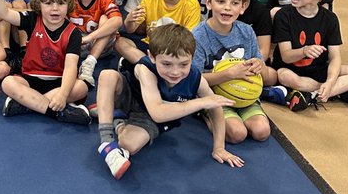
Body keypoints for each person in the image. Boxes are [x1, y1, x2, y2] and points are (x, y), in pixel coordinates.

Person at [93, 24, 239, 180]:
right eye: (167, 64)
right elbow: (158, 112)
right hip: (133, 99)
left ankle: (117, 119)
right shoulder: (145, 68)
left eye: (183, 64)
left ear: (192, 58)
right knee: (107, 75)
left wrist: (219, 147)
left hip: (148, 117)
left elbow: (215, 109)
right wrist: (201, 102)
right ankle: (106, 142)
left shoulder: (196, 78)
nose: (175, 72)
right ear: (152, 57)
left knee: (128, 145)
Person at [0, 0, 91, 123]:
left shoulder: (73, 33)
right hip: (30, 79)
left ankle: (27, 104)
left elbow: (71, 67)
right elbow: (3, 13)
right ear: (39, 4)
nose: (55, 9)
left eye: (61, 3)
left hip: (59, 82)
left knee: (81, 87)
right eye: (49, 3)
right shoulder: (32, 19)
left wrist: (63, 95)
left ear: (69, 4)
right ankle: (56, 112)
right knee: (8, 83)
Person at [192, 0, 270, 147]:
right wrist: (228, 74)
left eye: (234, 3)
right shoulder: (198, 36)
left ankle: (242, 110)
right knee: (237, 134)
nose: (227, 8)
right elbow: (193, 79)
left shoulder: (246, 32)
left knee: (262, 131)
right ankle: (206, 115)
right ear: (209, 2)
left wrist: (258, 64)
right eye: (220, 1)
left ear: (243, 7)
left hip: (244, 93)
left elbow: (256, 58)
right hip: (214, 95)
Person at [221, 0, 280, 97]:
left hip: (249, 60)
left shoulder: (260, 11)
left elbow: (264, 50)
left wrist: (252, 63)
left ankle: (257, 89)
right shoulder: (220, 9)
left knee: (272, 76)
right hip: (223, 59)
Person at [67, 0, 123, 86]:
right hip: (74, 42)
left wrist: (89, 38)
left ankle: (89, 63)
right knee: (59, 11)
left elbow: (118, 21)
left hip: (98, 43)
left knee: (106, 19)